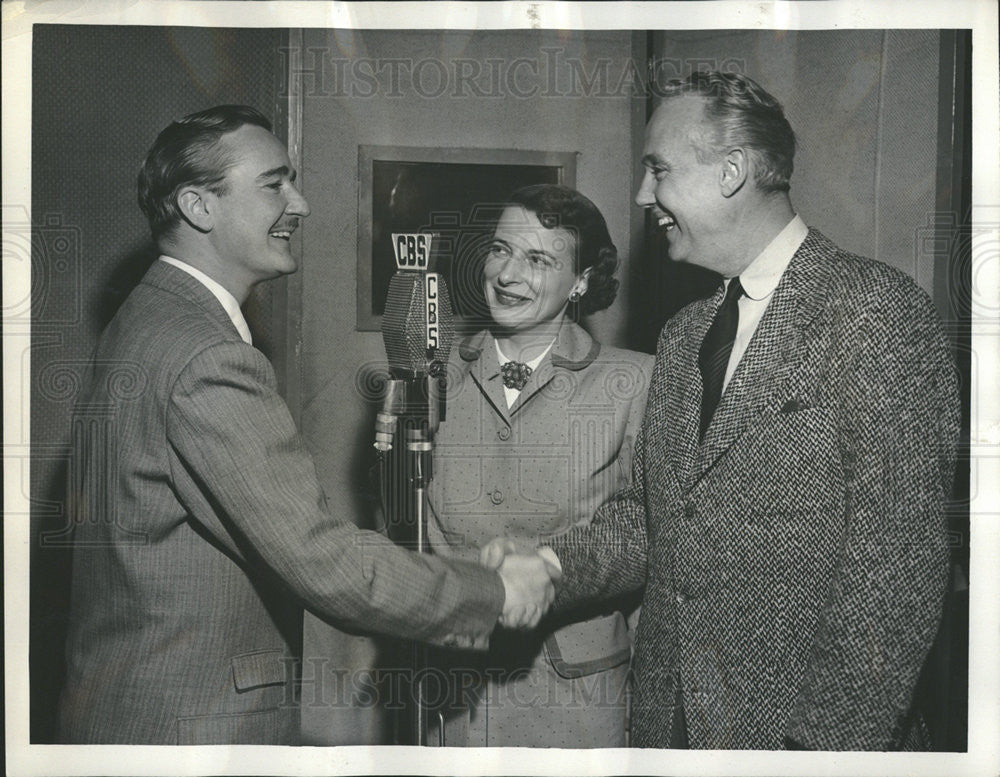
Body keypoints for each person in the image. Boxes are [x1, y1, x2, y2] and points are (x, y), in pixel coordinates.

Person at [486, 72, 960, 750]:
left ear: (733, 170)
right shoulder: (684, 336)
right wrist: (551, 565)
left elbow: (895, 582)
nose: (643, 195)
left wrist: (814, 761)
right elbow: (654, 520)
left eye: (659, 170)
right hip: (670, 735)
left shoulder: (874, 312)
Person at [56, 104, 555, 745]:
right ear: (198, 207)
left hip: (135, 704)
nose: (302, 204)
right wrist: (492, 590)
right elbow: (324, 561)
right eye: (274, 183)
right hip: (190, 724)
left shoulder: (146, 319)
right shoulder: (208, 358)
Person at [418, 184, 653, 747]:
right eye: (500, 250)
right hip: (453, 694)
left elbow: (646, 538)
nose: (508, 275)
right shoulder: (427, 374)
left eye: (539, 259)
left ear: (581, 282)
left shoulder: (636, 382)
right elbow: (405, 529)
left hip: (578, 701)